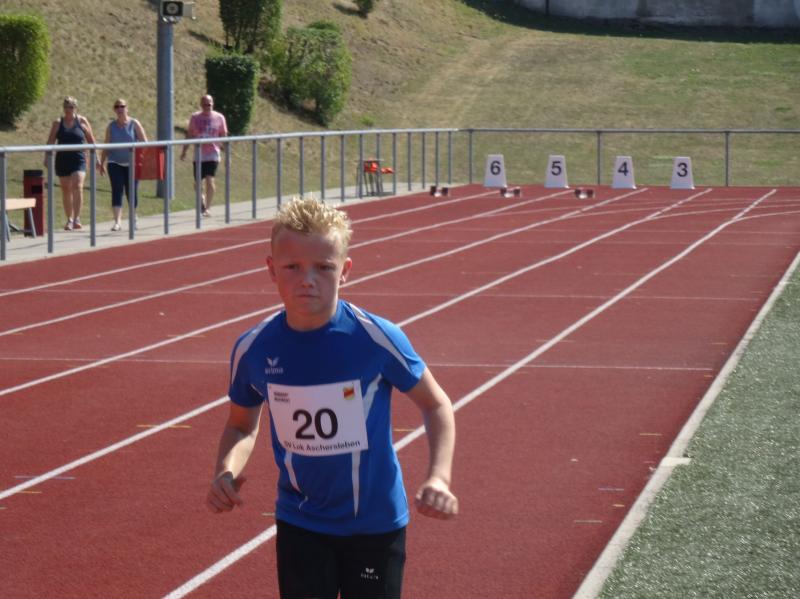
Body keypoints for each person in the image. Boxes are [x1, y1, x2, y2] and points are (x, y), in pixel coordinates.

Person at [207, 197, 458, 599]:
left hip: (375, 524)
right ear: (271, 269)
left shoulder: (376, 338)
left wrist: (438, 476)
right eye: (292, 267)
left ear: (345, 271)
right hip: (301, 521)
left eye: (324, 267)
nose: (308, 279)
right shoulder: (254, 348)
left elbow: (436, 403)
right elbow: (240, 424)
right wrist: (225, 470)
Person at [44, 96, 98, 231]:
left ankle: (77, 218)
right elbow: (50, 141)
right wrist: (46, 157)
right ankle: (69, 219)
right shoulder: (58, 123)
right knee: (66, 189)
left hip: (78, 158)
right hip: (63, 159)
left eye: (72, 107)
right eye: (67, 107)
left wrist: (96, 158)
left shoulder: (82, 121)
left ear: (76, 108)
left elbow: (91, 140)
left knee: (78, 185)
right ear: (63, 108)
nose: (69, 109)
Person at [98, 99, 148, 231]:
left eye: (122, 106)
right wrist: (101, 163)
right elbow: (106, 145)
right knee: (117, 189)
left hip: (132, 163)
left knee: (131, 191)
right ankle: (117, 222)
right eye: (117, 106)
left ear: (127, 108)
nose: (120, 109)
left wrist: (143, 158)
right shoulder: (111, 126)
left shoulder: (134, 123)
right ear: (114, 110)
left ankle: (133, 217)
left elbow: (145, 142)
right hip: (114, 162)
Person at [180, 94, 228, 217]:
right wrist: (184, 151)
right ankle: (201, 199)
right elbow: (189, 135)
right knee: (197, 183)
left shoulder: (219, 117)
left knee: (210, 180)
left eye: (210, 104)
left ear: (213, 104)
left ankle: (207, 208)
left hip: (213, 153)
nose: (208, 106)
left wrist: (227, 155)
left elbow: (224, 136)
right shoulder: (195, 117)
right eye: (206, 104)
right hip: (199, 154)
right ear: (201, 105)